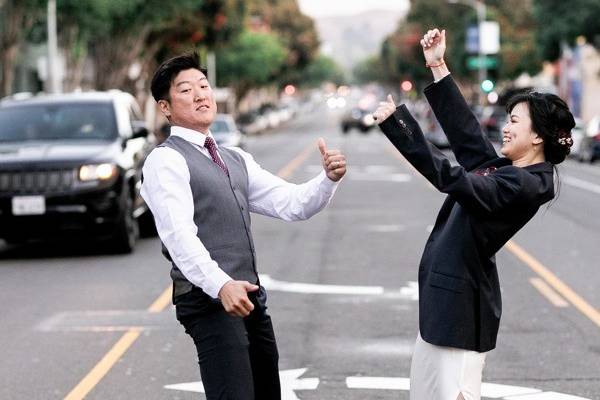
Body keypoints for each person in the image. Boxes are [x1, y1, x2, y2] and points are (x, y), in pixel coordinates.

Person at [373, 28, 575, 400]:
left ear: (537, 137)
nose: (506, 126)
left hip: (459, 316)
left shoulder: (526, 185)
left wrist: (398, 125)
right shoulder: (511, 171)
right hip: (446, 311)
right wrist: (438, 66)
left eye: (515, 120)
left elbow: (453, 178)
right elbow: (467, 138)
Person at [141, 52, 346, 400]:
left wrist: (327, 179)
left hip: (248, 297)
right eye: (186, 90)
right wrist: (221, 286)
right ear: (165, 107)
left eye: (203, 86)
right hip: (210, 301)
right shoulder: (166, 160)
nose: (201, 95)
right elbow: (180, 238)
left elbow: (292, 204)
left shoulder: (233, 158)